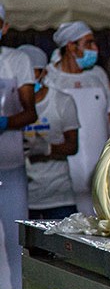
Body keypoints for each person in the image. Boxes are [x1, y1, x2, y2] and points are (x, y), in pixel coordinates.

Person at [44, 21, 110, 214]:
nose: (95, 49)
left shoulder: (98, 75)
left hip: (98, 162)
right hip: (65, 169)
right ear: (71, 46)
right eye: (89, 43)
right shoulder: (50, 76)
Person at [0, 4, 37, 289]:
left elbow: (30, 112)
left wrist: (6, 121)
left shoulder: (17, 61)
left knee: (14, 242)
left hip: (9, 167)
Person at [21, 45, 80, 220]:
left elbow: (72, 146)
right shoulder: (11, 106)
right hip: (25, 196)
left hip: (59, 196)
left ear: (44, 73)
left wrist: (47, 148)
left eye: (32, 73)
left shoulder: (62, 101)